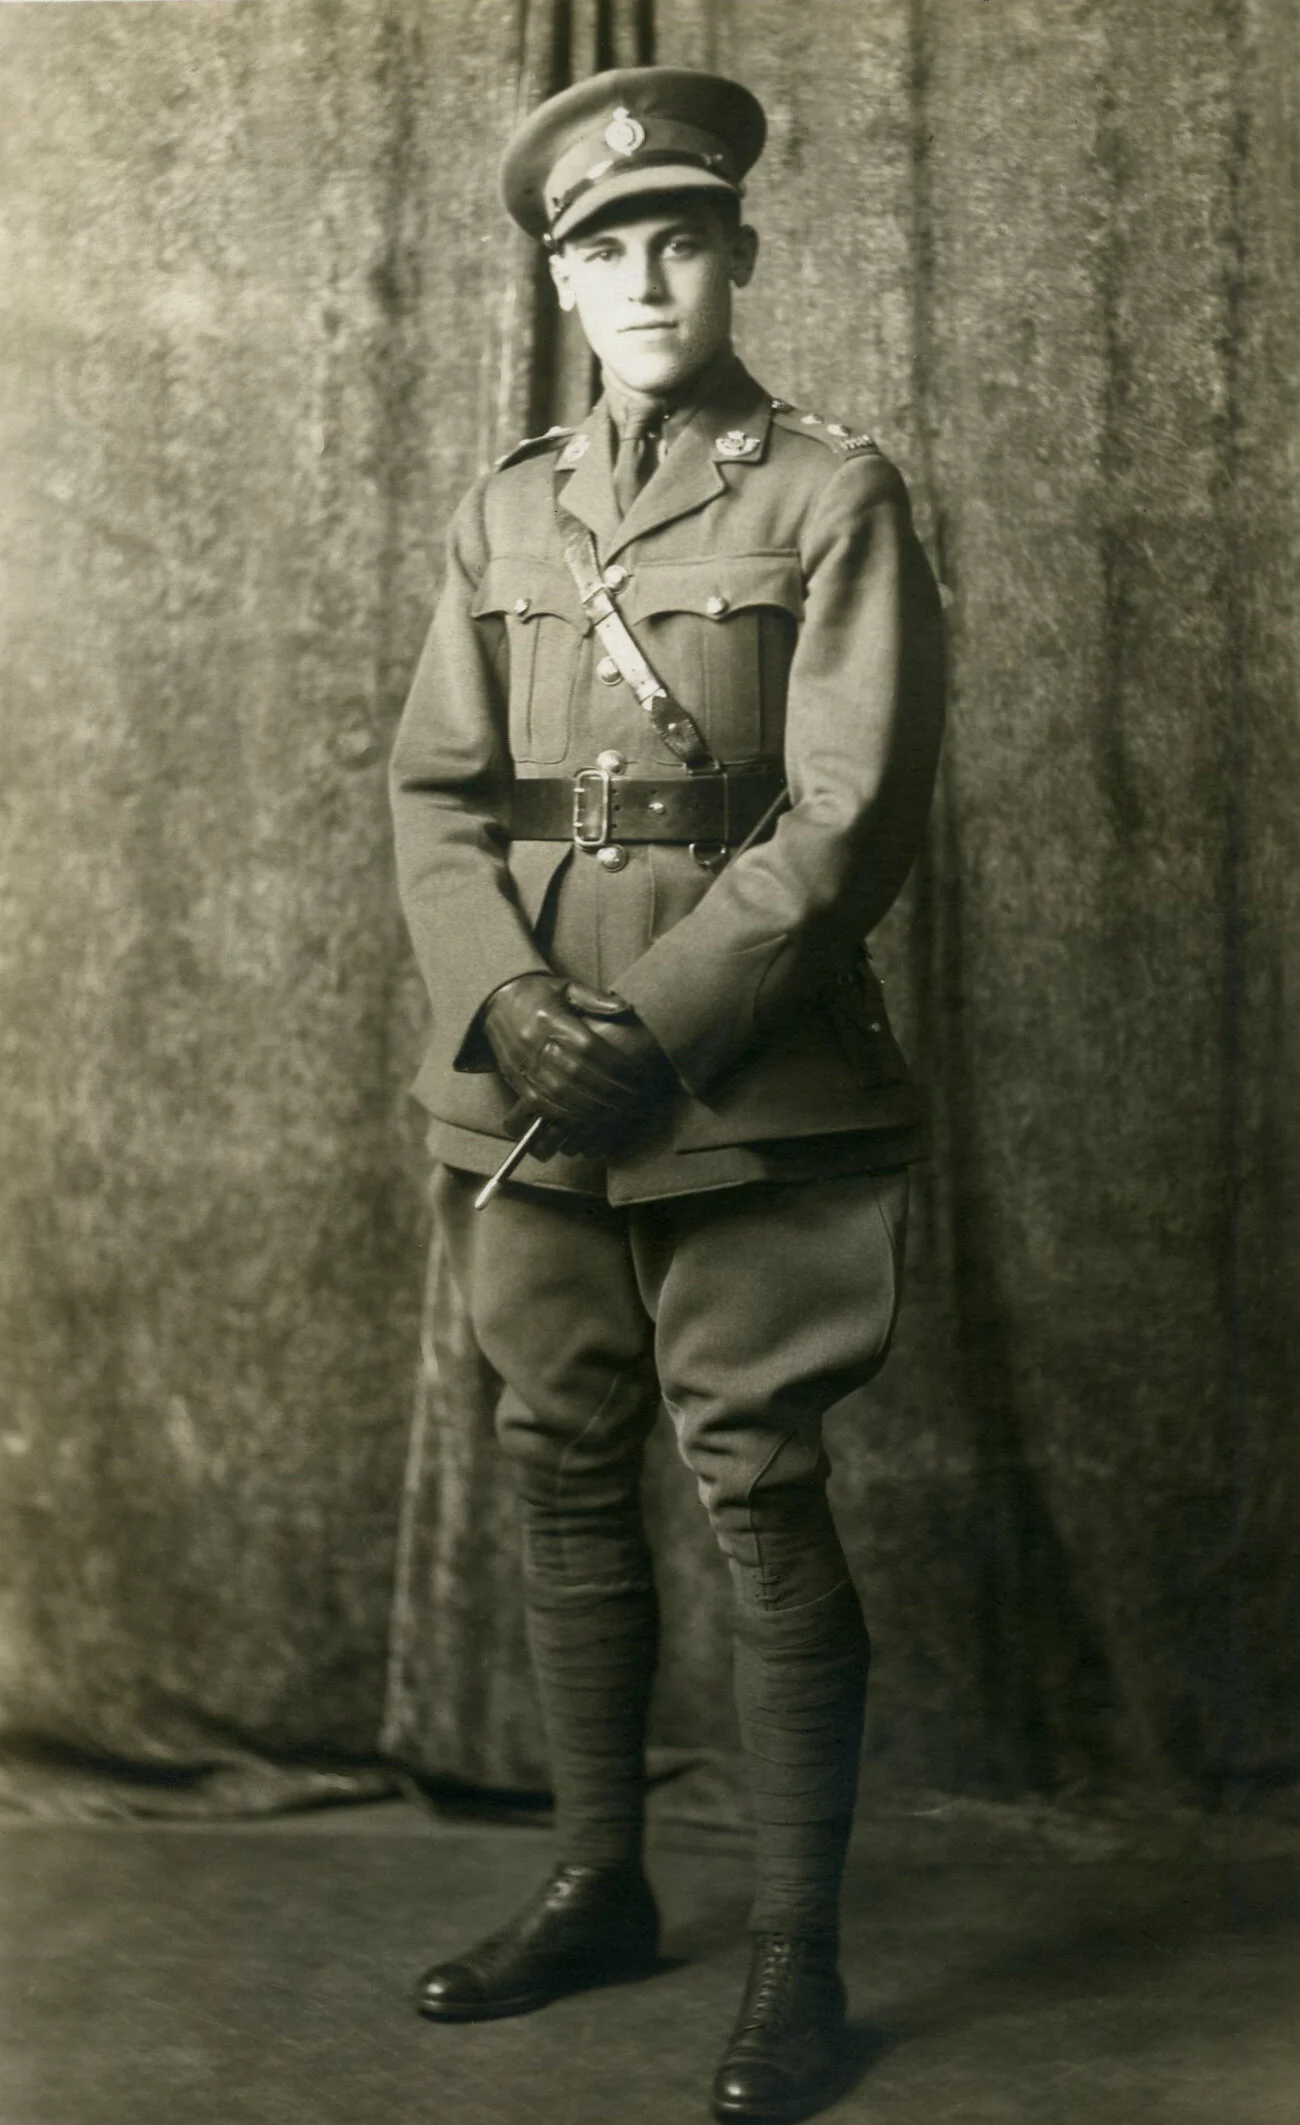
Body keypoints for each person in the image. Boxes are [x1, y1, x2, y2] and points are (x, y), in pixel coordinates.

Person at [388, 65, 944, 2125]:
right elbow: (436, 794)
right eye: (599, 246)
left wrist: (666, 1023)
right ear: (557, 281)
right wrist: (505, 1002)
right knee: (558, 1456)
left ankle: (795, 1952)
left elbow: (852, 811)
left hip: (749, 1083)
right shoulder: (501, 507)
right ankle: (595, 1881)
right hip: (528, 1075)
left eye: (677, 237)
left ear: (733, 259)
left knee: (757, 1483)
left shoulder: (826, 494)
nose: (640, 275)